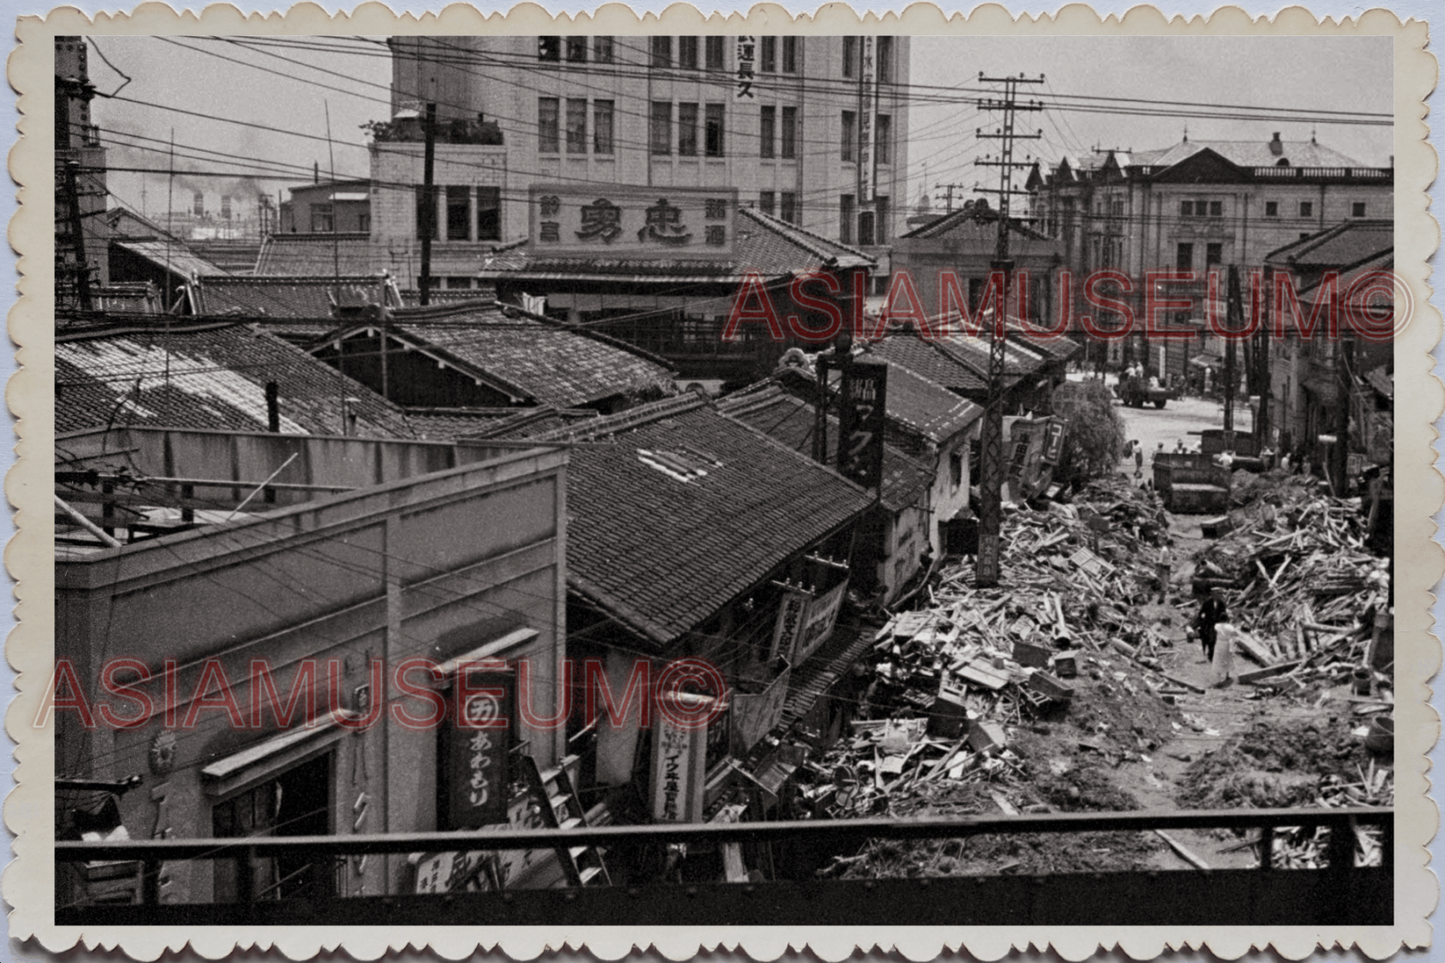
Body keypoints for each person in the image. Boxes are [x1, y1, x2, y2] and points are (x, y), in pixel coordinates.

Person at [1194, 587, 1227, 663]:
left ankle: (1212, 655)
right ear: (1212, 595)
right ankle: (1210, 655)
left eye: (1218, 594)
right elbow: (1201, 612)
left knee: (1215, 640)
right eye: (1215, 594)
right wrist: (1202, 621)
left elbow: (1224, 613)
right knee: (1210, 640)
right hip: (1208, 624)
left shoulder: (1221, 603)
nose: (1217, 596)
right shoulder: (1207, 602)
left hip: (1217, 624)